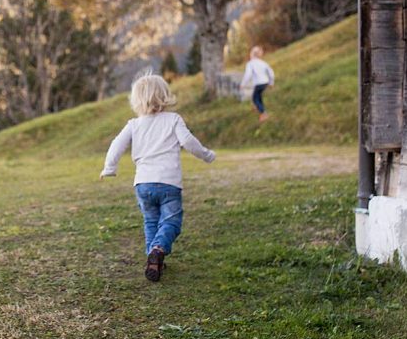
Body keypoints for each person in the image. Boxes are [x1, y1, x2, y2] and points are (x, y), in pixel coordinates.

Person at [99, 73, 216, 282]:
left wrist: (109, 167)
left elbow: (116, 144)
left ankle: (153, 259)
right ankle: (158, 249)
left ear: (136, 100)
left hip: (143, 184)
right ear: (165, 96)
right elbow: (188, 142)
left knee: (150, 220)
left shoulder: (134, 124)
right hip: (169, 183)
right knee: (171, 222)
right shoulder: (173, 120)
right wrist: (206, 155)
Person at [241, 46, 275, 122]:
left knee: (254, 98)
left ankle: (264, 113)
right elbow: (271, 73)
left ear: (252, 54)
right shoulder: (263, 63)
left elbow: (248, 75)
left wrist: (243, 84)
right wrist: (271, 82)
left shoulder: (250, 64)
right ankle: (259, 107)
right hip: (265, 82)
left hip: (258, 83)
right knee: (258, 96)